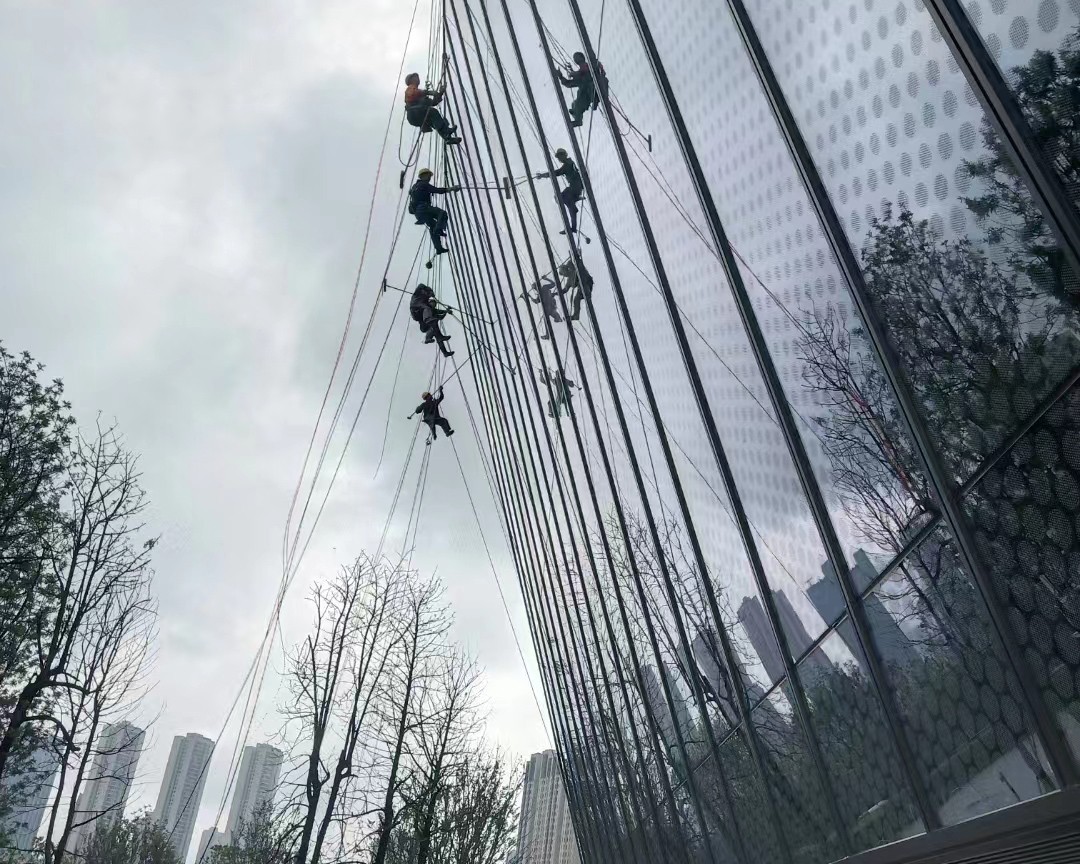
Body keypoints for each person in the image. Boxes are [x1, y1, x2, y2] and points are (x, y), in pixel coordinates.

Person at [409, 169, 460, 255]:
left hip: (419, 213)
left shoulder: (414, 187)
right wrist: (451, 189)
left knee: (433, 226)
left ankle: (439, 248)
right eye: (428, 175)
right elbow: (437, 190)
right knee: (442, 213)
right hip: (424, 208)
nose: (429, 178)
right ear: (423, 176)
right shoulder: (423, 184)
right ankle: (438, 230)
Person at [403, 73, 461, 145]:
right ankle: (446, 131)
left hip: (417, 115)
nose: (418, 79)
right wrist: (429, 92)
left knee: (434, 121)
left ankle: (447, 137)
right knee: (433, 112)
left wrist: (440, 93)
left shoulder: (420, 95)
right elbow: (414, 93)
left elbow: (433, 103)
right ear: (411, 80)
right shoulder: (410, 88)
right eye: (415, 77)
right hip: (414, 113)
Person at [535, 149, 583, 234]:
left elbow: (556, 173)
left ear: (564, 155)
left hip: (575, 188)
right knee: (569, 206)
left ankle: (573, 207)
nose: (559, 159)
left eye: (559, 157)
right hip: (576, 188)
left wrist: (542, 175)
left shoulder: (568, 164)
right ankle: (573, 227)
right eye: (558, 158)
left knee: (559, 197)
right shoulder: (569, 163)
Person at [554, 51, 607, 127]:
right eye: (574, 58)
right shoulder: (580, 76)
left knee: (591, 87)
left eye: (576, 57)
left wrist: (575, 73)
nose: (575, 59)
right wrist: (561, 76)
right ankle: (578, 120)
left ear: (582, 57)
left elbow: (589, 70)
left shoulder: (590, 65)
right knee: (576, 104)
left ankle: (594, 100)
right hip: (585, 94)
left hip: (595, 87)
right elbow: (570, 83)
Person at [410, 284, 454, 357]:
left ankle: (444, 352)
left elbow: (441, 314)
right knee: (429, 313)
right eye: (432, 303)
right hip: (416, 310)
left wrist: (447, 311)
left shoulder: (431, 310)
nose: (433, 306)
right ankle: (428, 336)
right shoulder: (420, 295)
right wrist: (430, 291)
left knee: (435, 329)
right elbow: (420, 285)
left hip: (426, 321)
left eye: (434, 305)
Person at [522, 275, 565, 339]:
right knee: (549, 317)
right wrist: (529, 296)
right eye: (535, 289)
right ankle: (558, 319)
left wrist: (546, 278)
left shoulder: (544, 288)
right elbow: (536, 301)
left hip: (549, 307)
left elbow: (553, 284)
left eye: (535, 288)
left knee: (548, 319)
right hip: (550, 307)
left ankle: (558, 320)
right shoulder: (541, 293)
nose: (536, 290)